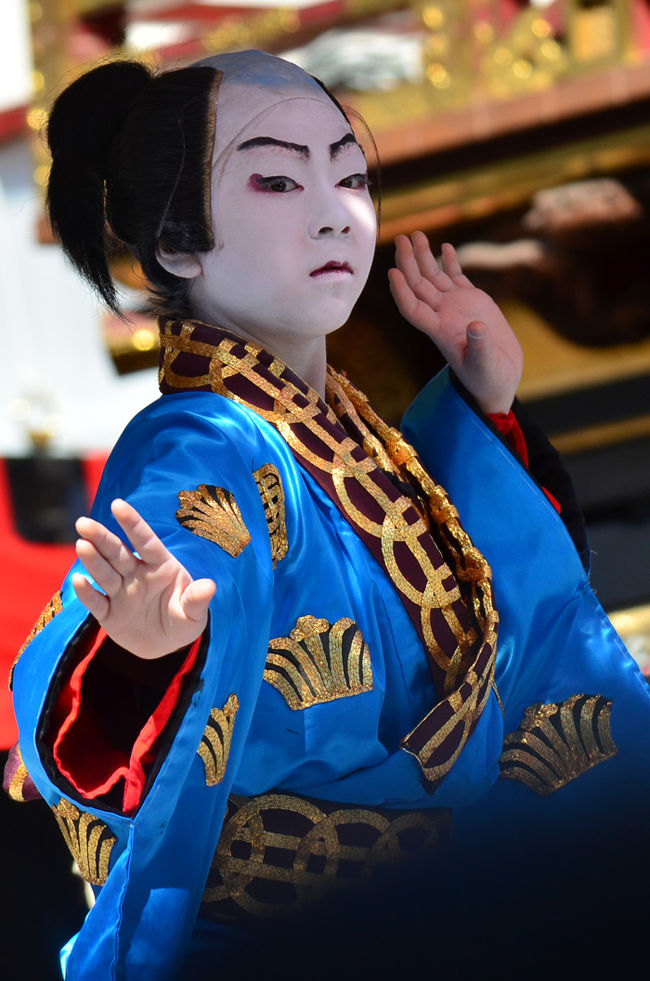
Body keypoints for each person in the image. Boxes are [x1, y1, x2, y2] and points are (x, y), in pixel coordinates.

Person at [7, 49, 650, 981]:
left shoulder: (335, 420)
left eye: (351, 175)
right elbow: (102, 726)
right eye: (276, 177)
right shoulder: (201, 446)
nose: (336, 210)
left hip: (441, 908)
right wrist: (144, 656)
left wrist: (483, 404)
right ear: (181, 242)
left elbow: (484, 628)